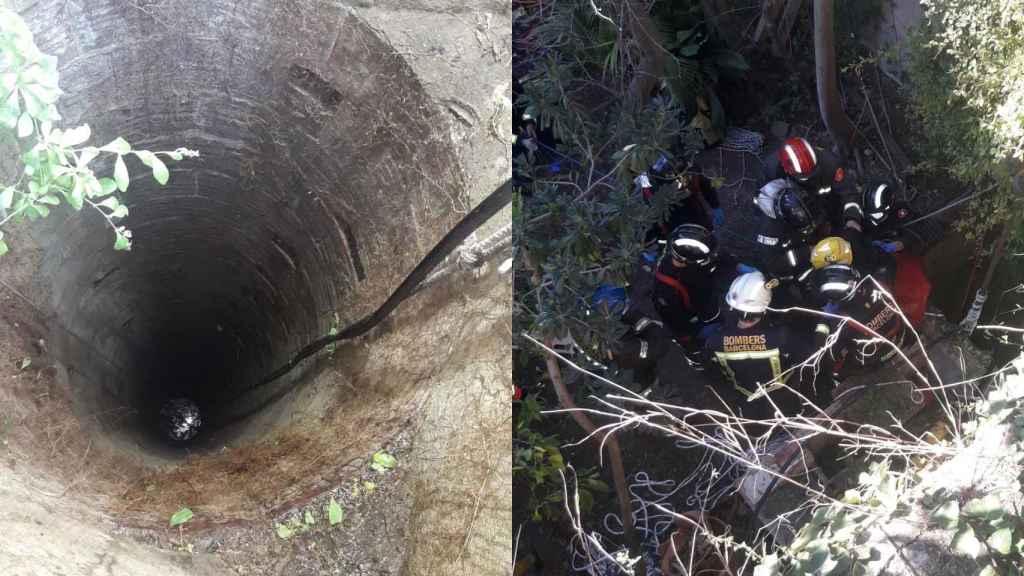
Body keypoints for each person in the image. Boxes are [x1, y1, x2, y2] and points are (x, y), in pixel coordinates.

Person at [704, 272, 818, 419]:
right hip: (785, 401)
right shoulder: (782, 336)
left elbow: (713, 374)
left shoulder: (714, 340)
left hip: (746, 403)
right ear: (765, 307)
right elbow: (809, 357)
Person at [813, 262, 908, 379]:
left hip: (878, 357)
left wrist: (824, 321)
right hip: (900, 335)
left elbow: (822, 346)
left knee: (836, 369)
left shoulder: (844, 322)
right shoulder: (877, 284)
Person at [769, 136, 862, 227]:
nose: (809, 179)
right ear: (787, 170)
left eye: (812, 173)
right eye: (804, 177)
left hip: (828, 204)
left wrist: (852, 219)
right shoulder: (774, 172)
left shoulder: (831, 164)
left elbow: (849, 193)